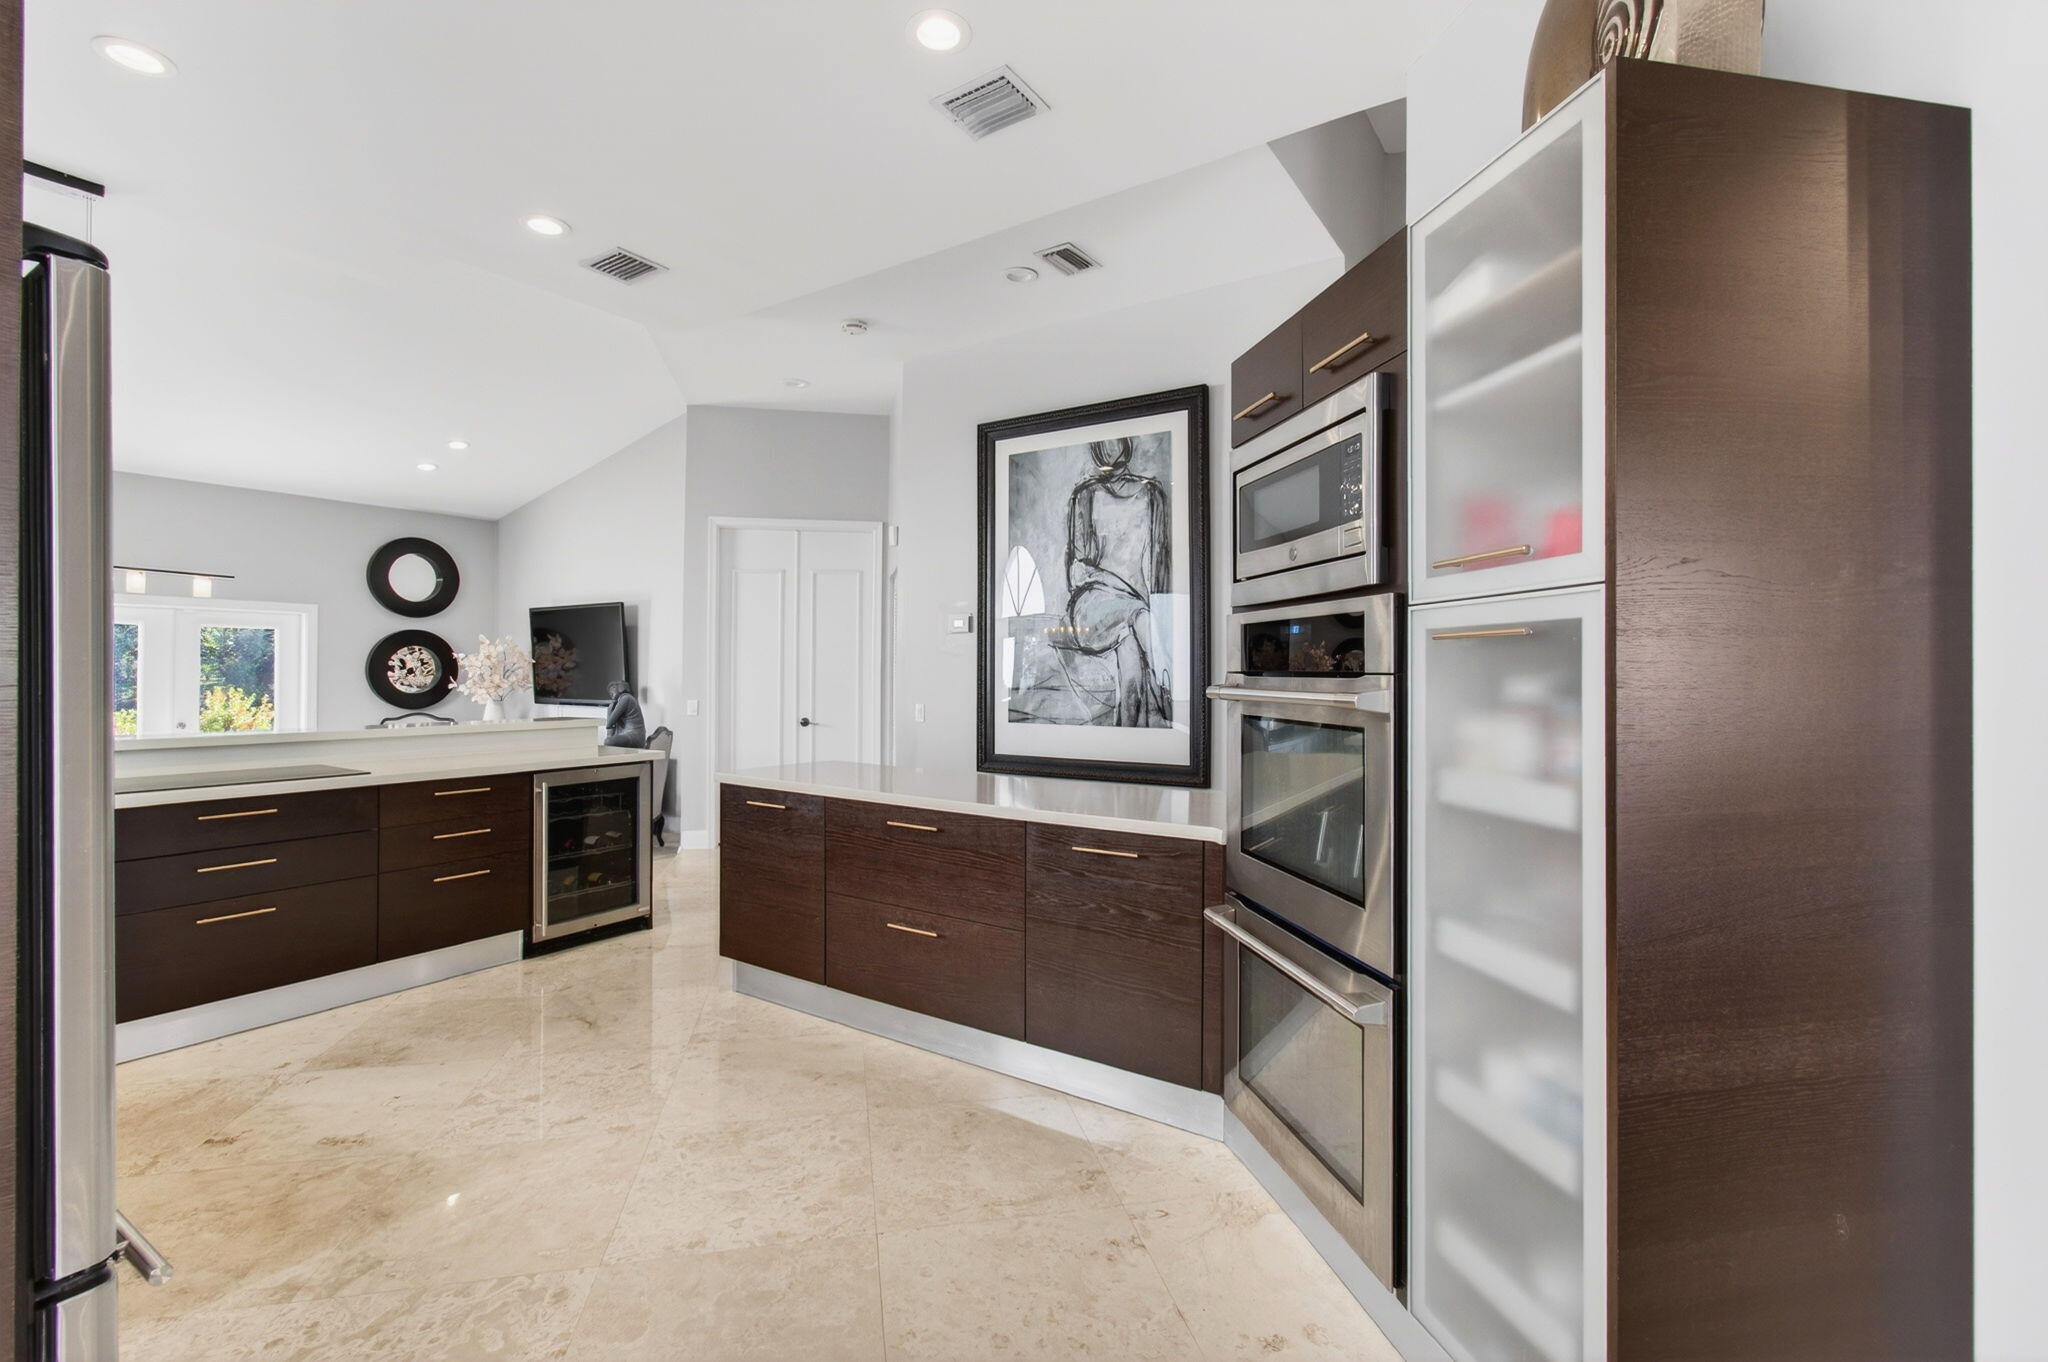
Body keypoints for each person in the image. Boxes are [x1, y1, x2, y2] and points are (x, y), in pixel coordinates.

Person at [1061, 435, 1169, 727]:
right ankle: (1171, 692)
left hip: (1136, 615)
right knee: (1140, 617)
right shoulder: (1085, 494)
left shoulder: (1153, 494)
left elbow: (1161, 568)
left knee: (1133, 681)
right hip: (1096, 606)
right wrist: (1126, 592)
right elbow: (1077, 573)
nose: (1109, 448)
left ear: (1126, 444)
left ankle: (1130, 744)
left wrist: (1158, 610)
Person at [602, 680, 646, 749]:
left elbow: (609, 723)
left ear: (620, 688)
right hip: (627, 734)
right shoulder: (621, 700)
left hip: (634, 735)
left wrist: (610, 708)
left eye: (613, 689)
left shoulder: (626, 698)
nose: (611, 693)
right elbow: (610, 729)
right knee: (608, 741)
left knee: (608, 742)